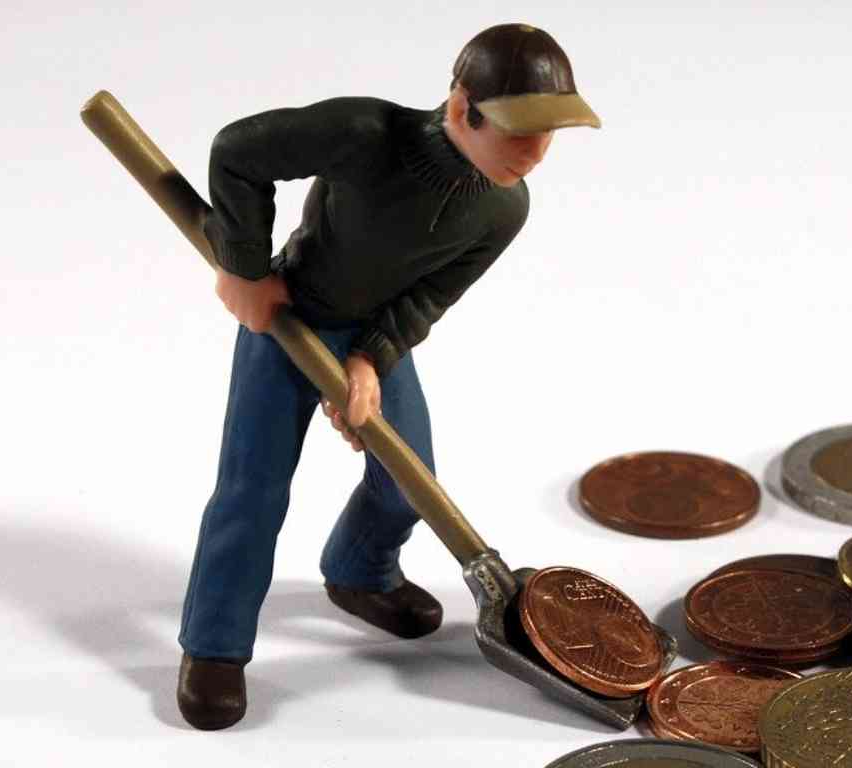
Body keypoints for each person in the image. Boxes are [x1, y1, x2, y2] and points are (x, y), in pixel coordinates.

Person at [175, 23, 601, 730]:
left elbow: (429, 296)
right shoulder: (365, 133)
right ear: (463, 107)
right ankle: (214, 646)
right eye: (519, 130)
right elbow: (238, 152)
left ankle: (358, 572)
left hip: (370, 338)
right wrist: (244, 268)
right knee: (252, 492)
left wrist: (371, 358)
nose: (533, 153)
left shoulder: (504, 207)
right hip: (286, 320)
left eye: (548, 133)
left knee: (409, 482)